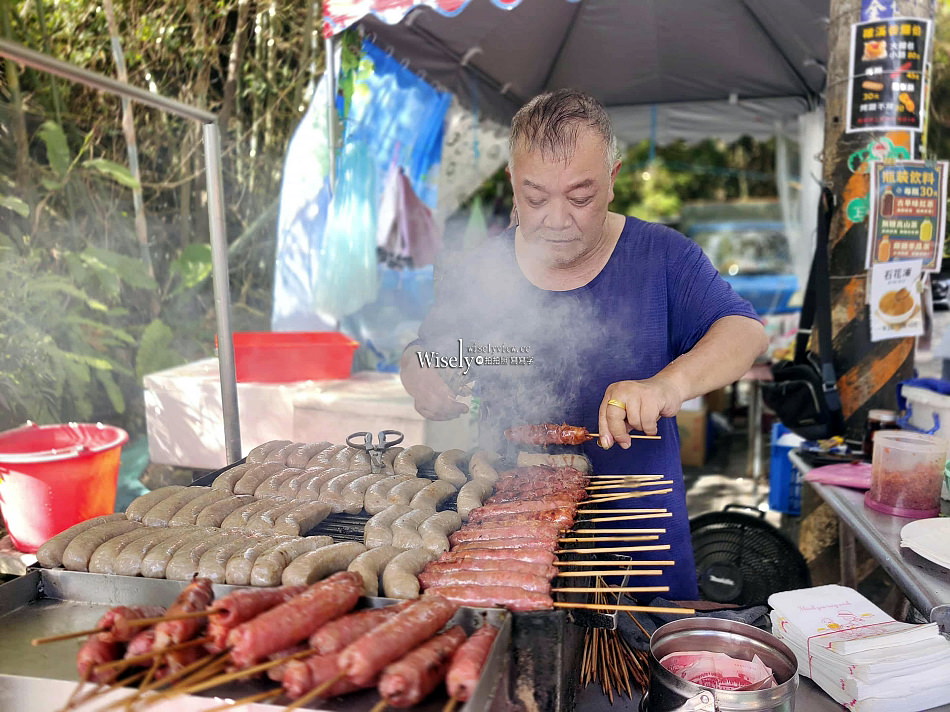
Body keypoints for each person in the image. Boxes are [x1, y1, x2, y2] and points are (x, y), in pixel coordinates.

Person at [399, 89, 768, 599]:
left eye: (579, 197)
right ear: (512, 183)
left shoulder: (663, 257)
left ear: (612, 180)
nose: (555, 217)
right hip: (503, 543)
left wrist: (669, 384)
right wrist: (418, 370)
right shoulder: (481, 270)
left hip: (639, 539)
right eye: (535, 197)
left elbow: (745, 331)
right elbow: (430, 350)